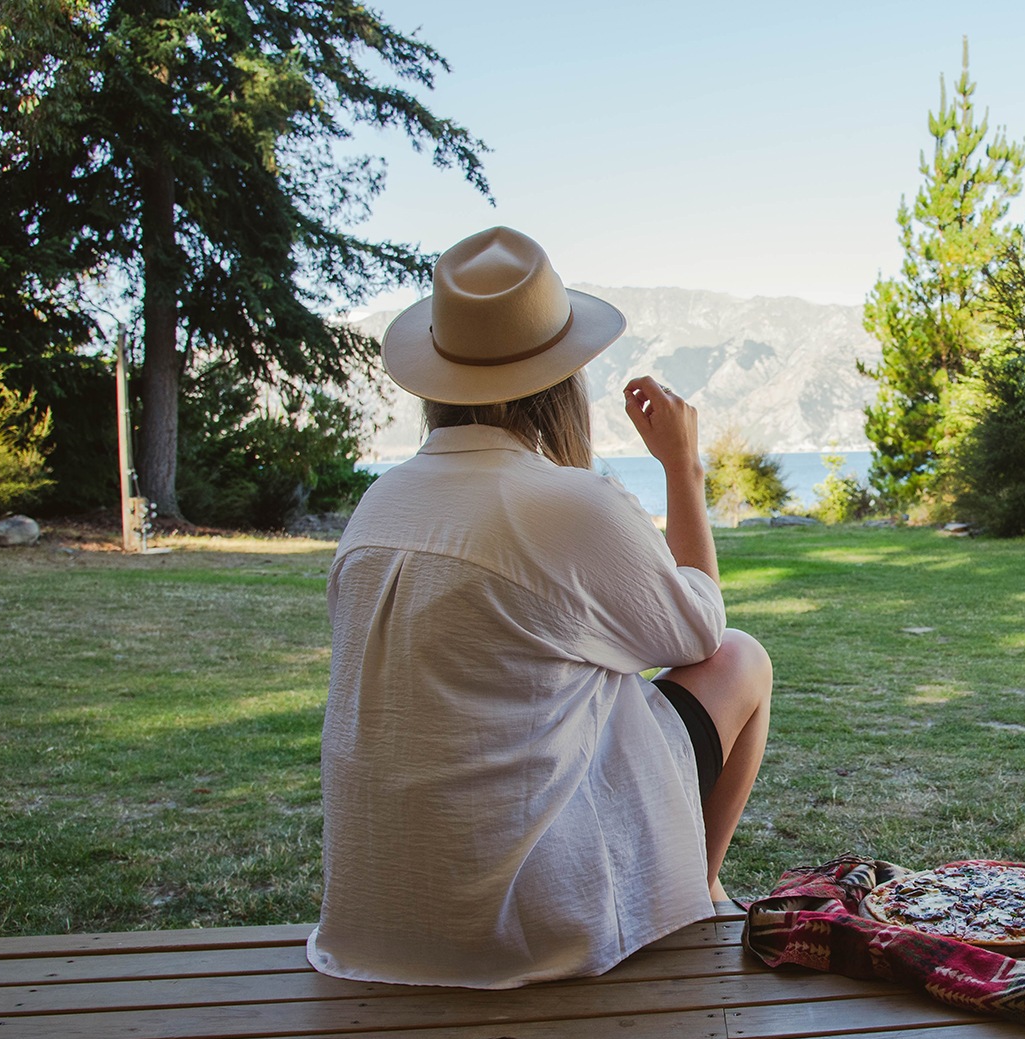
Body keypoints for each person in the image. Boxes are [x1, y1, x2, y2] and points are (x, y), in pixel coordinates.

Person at [307, 226, 771, 988]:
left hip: (375, 921)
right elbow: (700, 634)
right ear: (563, 380)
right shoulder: (566, 504)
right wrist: (683, 468)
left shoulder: (380, 502)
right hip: (526, 926)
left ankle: (699, 890)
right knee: (742, 658)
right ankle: (703, 892)